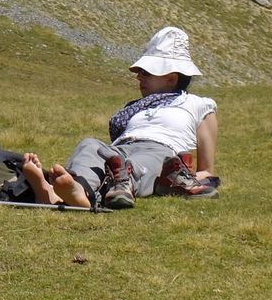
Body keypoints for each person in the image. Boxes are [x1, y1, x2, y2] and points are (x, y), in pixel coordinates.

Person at [21, 26, 219, 209]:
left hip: (161, 152)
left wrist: (182, 177)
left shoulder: (199, 105)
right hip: (120, 148)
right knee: (89, 145)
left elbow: (207, 170)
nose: (138, 76)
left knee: (132, 167)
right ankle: (75, 190)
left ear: (171, 78)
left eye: (146, 72)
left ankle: (62, 192)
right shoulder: (135, 107)